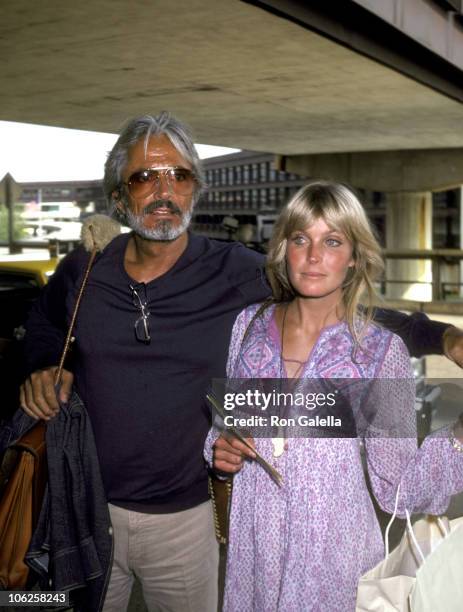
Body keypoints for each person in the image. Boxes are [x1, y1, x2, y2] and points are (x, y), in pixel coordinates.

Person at [18, 113, 462, 611]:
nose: (165, 190)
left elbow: (339, 306)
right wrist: (42, 363)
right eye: (146, 176)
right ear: (119, 196)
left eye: (179, 175)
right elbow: (43, 322)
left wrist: (441, 336)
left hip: (185, 523)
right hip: (86, 508)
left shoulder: (236, 276)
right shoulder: (85, 271)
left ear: (195, 189)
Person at [205, 181, 463, 612]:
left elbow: (396, 488)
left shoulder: (379, 353)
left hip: (331, 566)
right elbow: (223, 427)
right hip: (254, 560)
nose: (312, 255)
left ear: (355, 257)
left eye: (332, 241)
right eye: (300, 238)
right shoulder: (248, 327)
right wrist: (220, 449)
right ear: (283, 248)